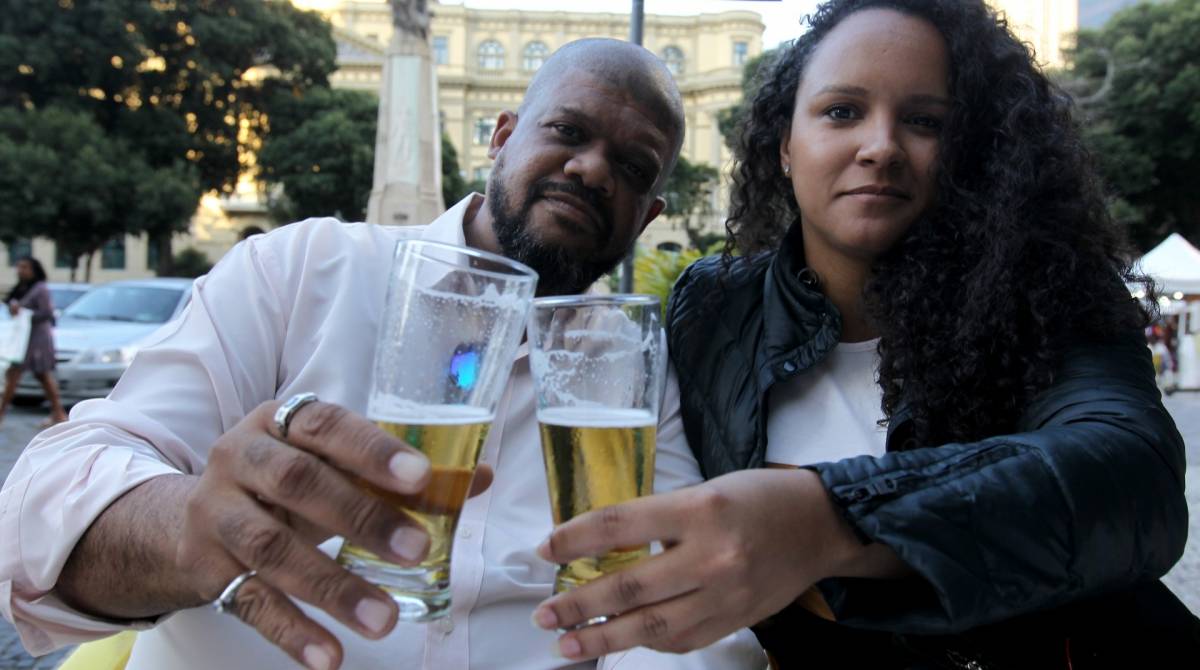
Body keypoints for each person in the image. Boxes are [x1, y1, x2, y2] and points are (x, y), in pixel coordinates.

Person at [0, 39, 764, 670]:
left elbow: (676, 603)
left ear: (648, 216)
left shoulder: (632, 367)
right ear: (502, 138)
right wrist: (183, 532)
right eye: (567, 131)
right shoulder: (302, 271)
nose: (593, 168)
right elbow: (51, 494)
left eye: (632, 167)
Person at [531, 1, 1195, 666]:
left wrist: (830, 518)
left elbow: (1133, 478)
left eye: (925, 121)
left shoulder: (1050, 292)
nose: (880, 147)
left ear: (970, 149)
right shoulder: (715, 305)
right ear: (786, 145)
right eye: (842, 111)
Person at [1, 256, 68, 426]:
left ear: (34, 270)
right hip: (23, 338)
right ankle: (58, 412)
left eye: (25, 267)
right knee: (39, 376)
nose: (21, 270)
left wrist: (23, 311)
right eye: (19, 267)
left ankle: (1, 413)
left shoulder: (40, 289)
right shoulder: (23, 288)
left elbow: (46, 312)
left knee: (19, 373)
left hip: (37, 339)